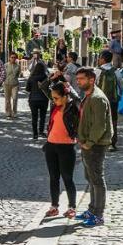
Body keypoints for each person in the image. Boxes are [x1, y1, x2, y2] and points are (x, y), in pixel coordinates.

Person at [74, 68, 113, 227]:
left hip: (96, 144)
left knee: (97, 179)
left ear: (91, 80)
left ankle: (99, 214)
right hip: (89, 143)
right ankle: (92, 209)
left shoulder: (97, 98)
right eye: (77, 79)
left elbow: (99, 125)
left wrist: (88, 143)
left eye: (81, 79)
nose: (78, 82)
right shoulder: (88, 96)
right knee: (90, 177)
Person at [43, 82, 80, 218]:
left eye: (56, 98)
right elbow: (43, 87)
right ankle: (54, 206)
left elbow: (77, 99)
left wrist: (65, 80)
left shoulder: (73, 106)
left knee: (67, 178)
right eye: (53, 98)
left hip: (67, 147)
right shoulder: (55, 105)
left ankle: (72, 207)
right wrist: (53, 78)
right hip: (51, 145)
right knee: (53, 178)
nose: (54, 100)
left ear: (65, 96)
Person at [95, 50, 120, 150]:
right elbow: (121, 86)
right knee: (113, 120)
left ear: (103, 59)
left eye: (100, 58)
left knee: (100, 120)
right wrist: (119, 96)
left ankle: (100, 141)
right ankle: (112, 143)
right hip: (113, 100)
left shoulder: (98, 71)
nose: (99, 60)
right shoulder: (116, 71)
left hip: (100, 100)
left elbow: (93, 85)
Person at [27, 51, 51, 139]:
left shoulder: (31, 78)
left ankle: (35, 133)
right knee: (43, 116)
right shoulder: (46, 77)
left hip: (33, 99)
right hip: (44, 99)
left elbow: (27, 89)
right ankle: (41, 131)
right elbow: (49, 87)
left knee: (34, 117)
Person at [3, 52, 22, 120]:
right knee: (7, 99)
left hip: (15, 84)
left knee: (14, 98)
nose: (13, 59)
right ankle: (8, 112)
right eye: (12, 57)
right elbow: (3, 74)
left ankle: (14, 112)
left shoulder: (18, 66)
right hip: (6, 84)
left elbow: (18, 74)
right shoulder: (5, 65)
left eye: (14, 57)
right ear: (9, 58)